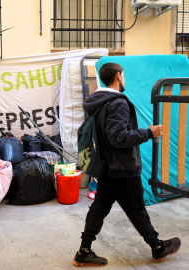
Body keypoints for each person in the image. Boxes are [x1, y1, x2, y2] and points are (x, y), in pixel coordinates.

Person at [73, 62, 181, 267]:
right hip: (122, 168)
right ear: (118, 76)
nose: (124, 79)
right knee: (137, 210)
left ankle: (83, 252)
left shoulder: (97, 101)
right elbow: (117, 137)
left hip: (106, 168)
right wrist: (149, 133)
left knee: (98, 209)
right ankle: (158, 248)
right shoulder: (117, 103)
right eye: (123, 76)